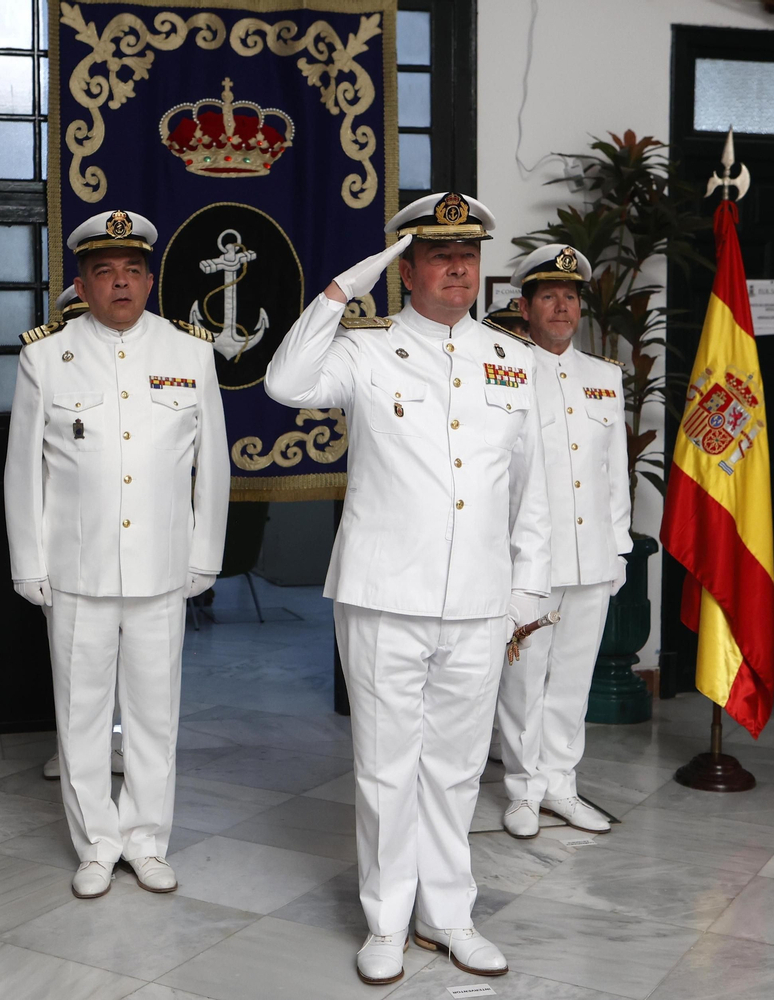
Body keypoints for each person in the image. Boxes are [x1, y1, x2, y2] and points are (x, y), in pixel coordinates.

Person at [265, 192, 551, 984]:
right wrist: (339, 292)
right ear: (408, 267)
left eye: (468, 255)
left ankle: (449, 914)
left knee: (458, 766)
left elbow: (533, 489)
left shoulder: (515, 359)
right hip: (385, 592)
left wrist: (526, 591)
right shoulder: (365, 347)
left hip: (479, 598)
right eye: (438, 255)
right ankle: (387, 920)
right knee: (387, 764)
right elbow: (286, 382)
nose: (458, 268)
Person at [4, 209, 228, 900]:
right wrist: (28, 562)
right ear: (84, 282)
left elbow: (212, 465)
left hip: (161, 567)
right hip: (78, 568)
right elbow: (24, 471)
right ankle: (97, 842)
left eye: (132, 271)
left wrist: (205, 553)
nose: (120, 284)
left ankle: (147, 840)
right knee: (81, 716)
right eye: (105, 273)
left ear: (151, 279)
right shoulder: (46, 355)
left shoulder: (189, 352)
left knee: (157, 714)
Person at [492, 245, 631, 839]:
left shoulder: (603, 377)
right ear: (524, 306)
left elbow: (614, 475)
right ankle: (524, 791)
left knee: (573, 679)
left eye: (571, 297)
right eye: (548, 296)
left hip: (593, 556)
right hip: (530, 560)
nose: (561, 307)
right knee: (524, 679)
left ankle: (561, 785)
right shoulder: (503, 369)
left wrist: (619, 548)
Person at [39, 281, 121, 785]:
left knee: (134, 671)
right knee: (74, 668)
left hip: (130, 541)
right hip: (70, 545)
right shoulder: (50, 367)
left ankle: (119, 740)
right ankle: (69, 748)